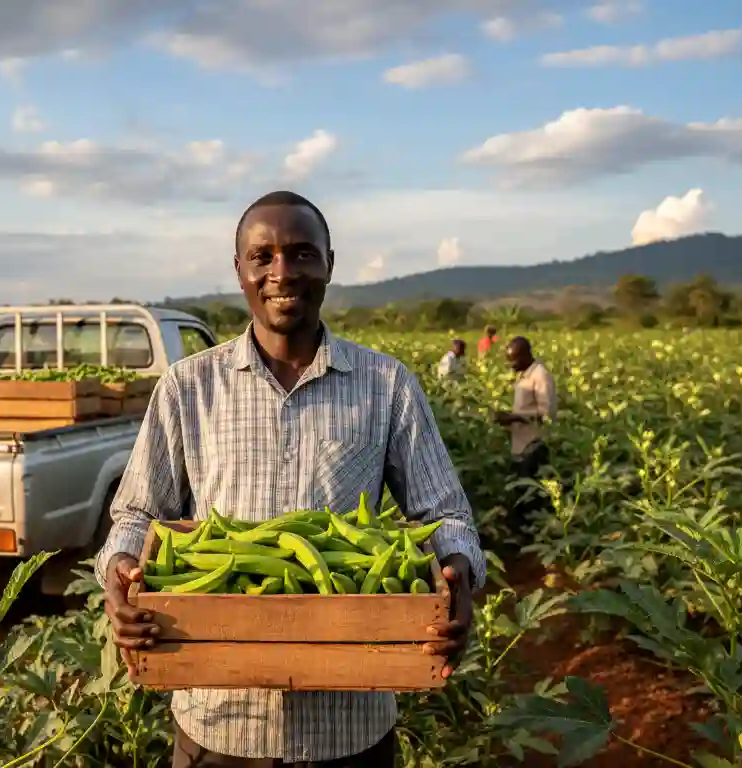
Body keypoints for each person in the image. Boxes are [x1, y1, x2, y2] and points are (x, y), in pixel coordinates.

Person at [98, 190, 486, 767]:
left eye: (302, 254)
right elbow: (136, 514)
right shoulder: (187, 387)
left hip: (349, 726)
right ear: (240, 270)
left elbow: (445, 515)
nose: (282, 272)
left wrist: (456, 575)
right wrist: (120, 576)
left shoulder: (387, 385)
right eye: (263, 257)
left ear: (329, 262)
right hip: (219, 722)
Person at [494, 337, 557, 523]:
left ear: (526, 355)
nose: (510, 365)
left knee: (532, 491)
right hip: (520, 443)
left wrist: (513, 417)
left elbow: (547, 413)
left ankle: (534, 530)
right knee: (522, 488)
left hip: (534, 444)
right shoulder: (524, 374)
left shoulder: (541, 376)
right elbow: (526, 409)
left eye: (513, 360)